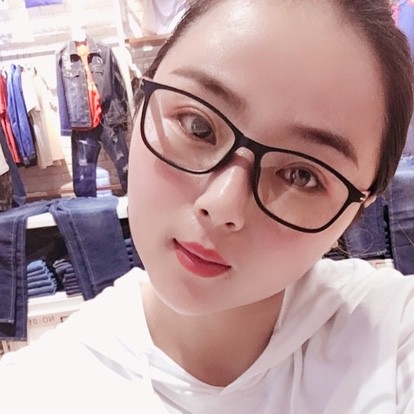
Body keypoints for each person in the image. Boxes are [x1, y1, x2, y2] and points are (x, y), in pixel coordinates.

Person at [1, 0, 414, 412]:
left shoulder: (392, 339)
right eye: (198, 127)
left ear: (358, 209)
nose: (221, 205)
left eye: (301, 175)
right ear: (140, 100)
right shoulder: (34, 390)